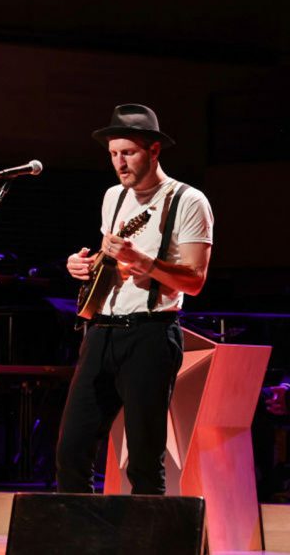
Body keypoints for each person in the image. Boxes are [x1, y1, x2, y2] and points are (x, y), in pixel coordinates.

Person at [57, 104, 213, 494]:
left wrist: (144, 261)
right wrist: (85, 265)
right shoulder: (114, 197)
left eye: (128, 152)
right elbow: (111, 262)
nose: (119, 163)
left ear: (154, 150)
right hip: (100, 333)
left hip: (150, 336)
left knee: (144, 460)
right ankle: (84, 542)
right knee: (71, 449)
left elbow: (194, 280)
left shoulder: (188, 201)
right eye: (113, 154)